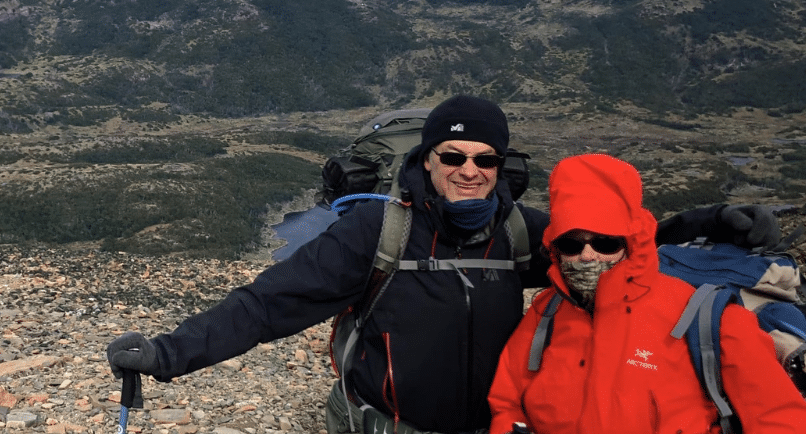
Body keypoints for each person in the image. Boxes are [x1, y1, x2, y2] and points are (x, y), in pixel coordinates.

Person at [107, 95, 780, 434]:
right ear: (426, 161)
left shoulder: (523, 232)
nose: (468, 171)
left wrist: (694, 227)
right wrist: (168, 354)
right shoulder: (378, 230)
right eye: (452, 157)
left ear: (502, 168)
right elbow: (266, 305)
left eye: (484, 159)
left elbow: (605, 250)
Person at [487, 153, 806, 434]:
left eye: (605, 243)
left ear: (630, 244)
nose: (588, 256)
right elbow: (507, 402)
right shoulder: (545, 315)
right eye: (572, 244)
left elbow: (778, 416)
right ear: (555, 250)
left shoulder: (706, 316)